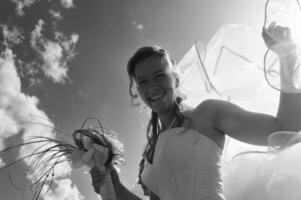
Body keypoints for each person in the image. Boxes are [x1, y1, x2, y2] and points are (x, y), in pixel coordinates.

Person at [89, 23, 301, 200]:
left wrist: (287, 56)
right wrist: (114, 184)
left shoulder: (208, 113)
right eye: (143, 82)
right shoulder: (150, 151)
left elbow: (283, 130)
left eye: (160, 76)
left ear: (176, 79)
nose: (152, 87)